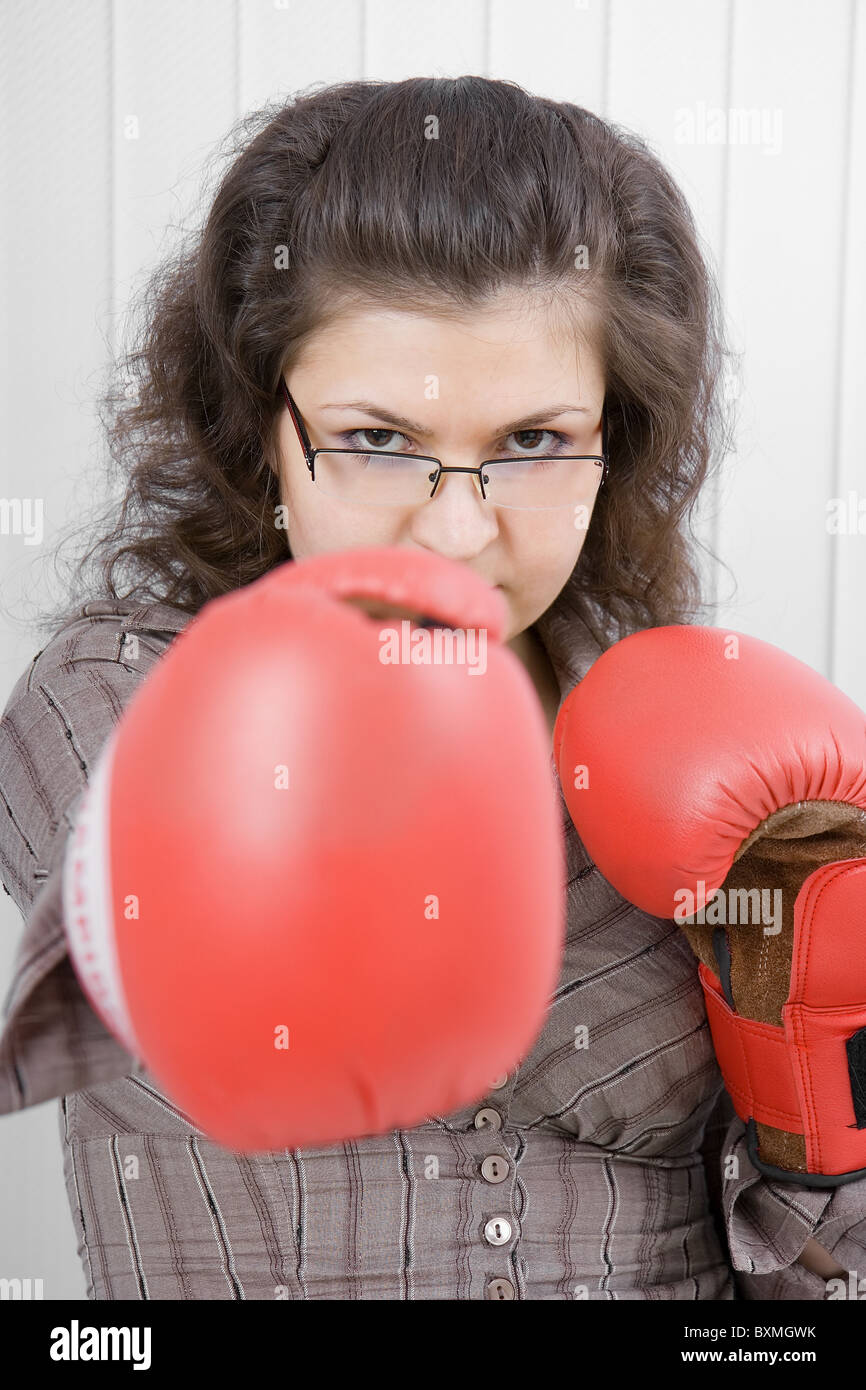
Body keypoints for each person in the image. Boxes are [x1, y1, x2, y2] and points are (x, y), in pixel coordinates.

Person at [0, 75, 858, 1300]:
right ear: (261, 421)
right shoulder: (118, 698)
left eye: (531, 443)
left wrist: (820, 1047)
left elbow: (807, 1270)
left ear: (614, 433)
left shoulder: (683, 734)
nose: (456, 535)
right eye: (379, 438)